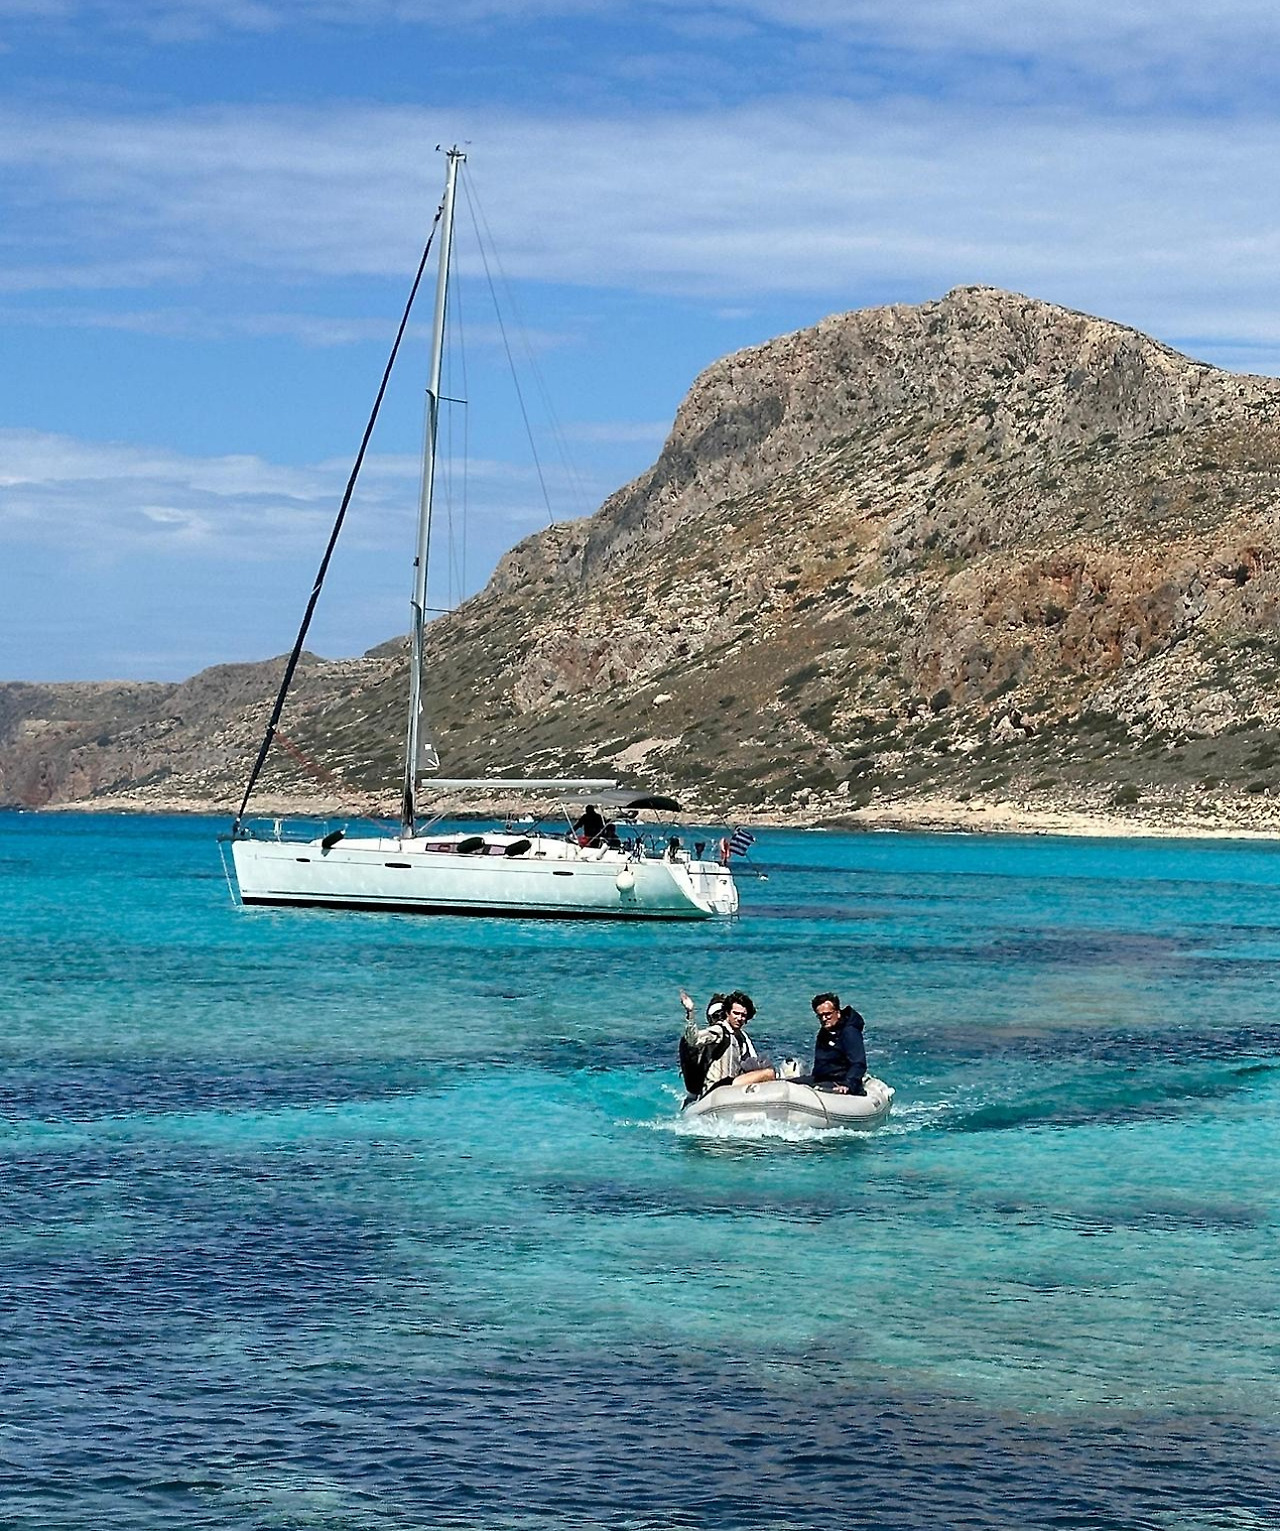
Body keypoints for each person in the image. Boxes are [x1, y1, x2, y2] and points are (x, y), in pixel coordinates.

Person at [679, 988, 776, 1096]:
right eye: (736, 1013)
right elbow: (694, 1039)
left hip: (730, 1087)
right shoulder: (720, 1030)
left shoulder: (740, 1037)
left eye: (743, 1015)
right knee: (769, 1073)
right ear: (727, 1013)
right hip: (718, 1088)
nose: (739, 1018)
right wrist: (690, 1012)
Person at [804, 992, 867, 1095]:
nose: (824, 1019)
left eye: (827, 1014)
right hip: (821, 1079)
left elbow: (858, 1063)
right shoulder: (824, 1032)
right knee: (788, 1084)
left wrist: (848, 1084)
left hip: (840, 1081)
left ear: (837, 1013)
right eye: (820, 1016)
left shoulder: (849, 1033)